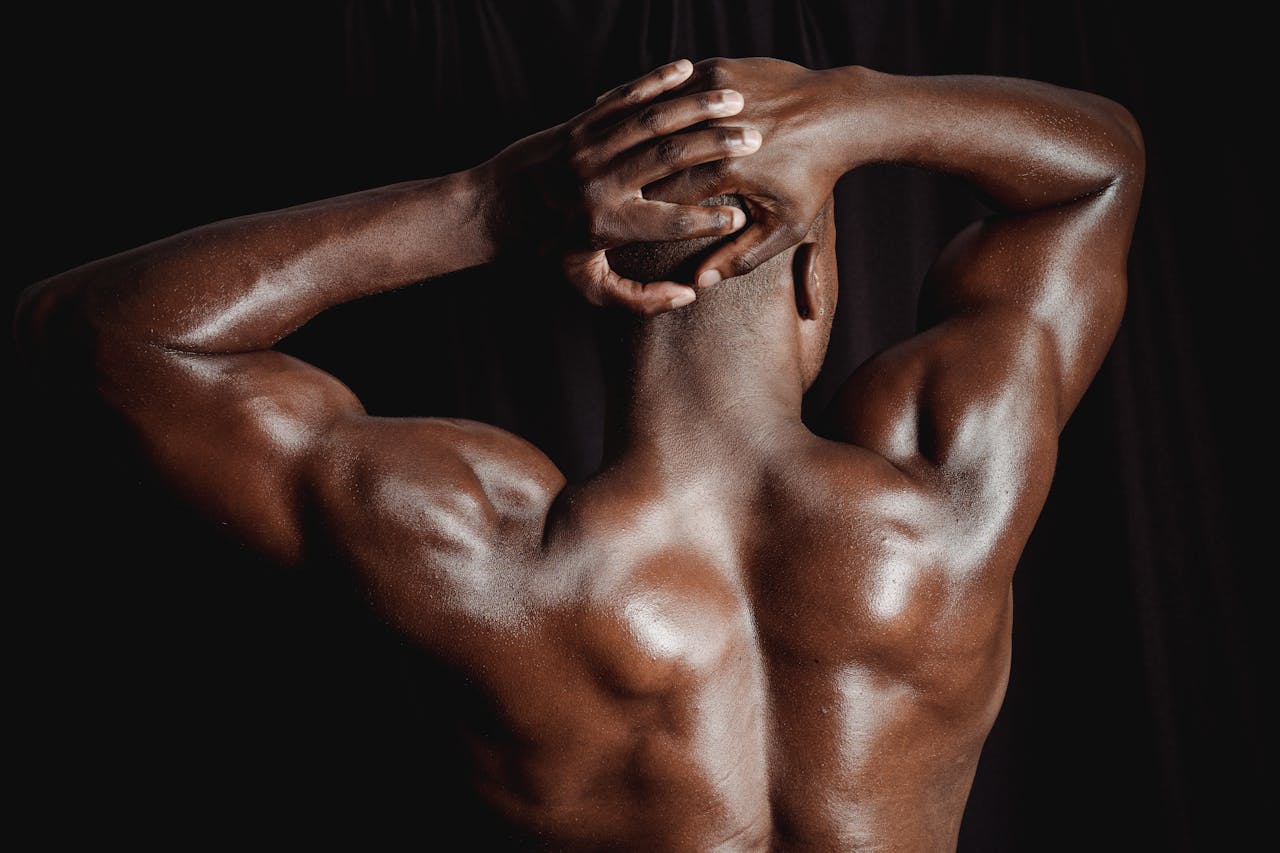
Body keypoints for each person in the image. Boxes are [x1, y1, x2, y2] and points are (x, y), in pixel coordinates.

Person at [16, 57, 1143, 850]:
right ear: (813, 283)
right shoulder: (945, 485)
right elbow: (1098, 167)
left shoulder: (473, 545)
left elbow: (98, 330)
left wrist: (485, 206)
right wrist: (858, 112)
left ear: (593, 284)